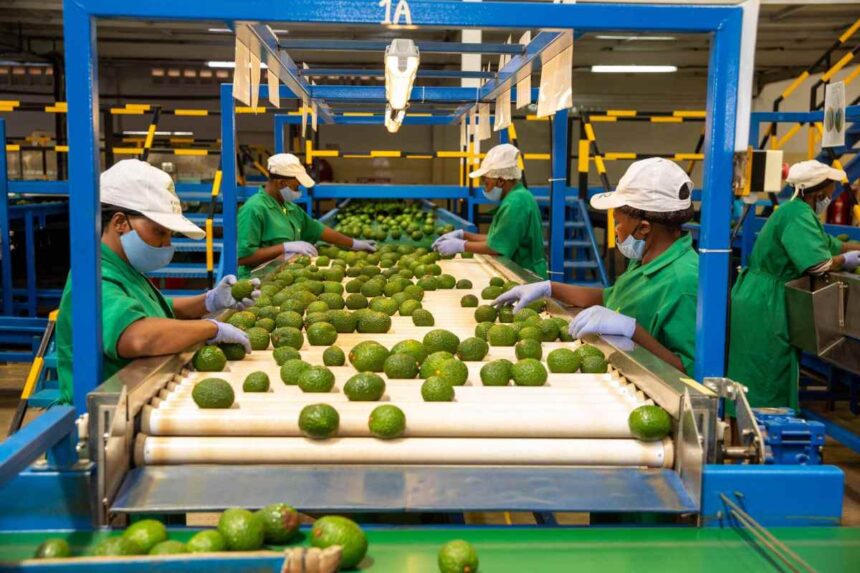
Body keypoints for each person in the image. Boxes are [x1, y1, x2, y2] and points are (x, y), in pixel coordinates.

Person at [57, 160, 256, 405]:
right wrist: (211, 329)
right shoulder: (95, 277)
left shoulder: (125, 268)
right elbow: (138, 336)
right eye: (159, 232)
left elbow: (155, 310)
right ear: (120, 222)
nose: (166, 244)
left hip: (136, 401)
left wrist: (209, 300)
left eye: (169, 235)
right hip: (103, 417)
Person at [493, 158, 699, 374]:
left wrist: (632, 330)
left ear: (644, 228)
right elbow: (611, 297)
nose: (616, 230)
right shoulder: (646, 260)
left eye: (618, 222)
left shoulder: (684, 283)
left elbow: (688, 372)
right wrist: (550, 288)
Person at [728, 160, 860, 409]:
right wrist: (845, 260)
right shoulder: (798, 215)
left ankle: (747, 430)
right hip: (768, 302)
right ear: (819, 192)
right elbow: (817, 265)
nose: (832, 196)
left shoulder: (795, 211)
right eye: (831, 190)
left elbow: (829, 243)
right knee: (768, 372)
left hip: (758, 295)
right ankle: (762, 435)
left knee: (751, 373)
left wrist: (852, 249)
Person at [237, 153, 376, 277]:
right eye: (296, 187)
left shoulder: (290, 208)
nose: (298, 191)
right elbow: (243, 257)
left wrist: (354, 243)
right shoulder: (254, 209)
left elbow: (318, 230)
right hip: (255, 282)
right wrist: (285, 247)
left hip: (281, 277)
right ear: (281, 183)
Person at [432, 143, 548, 278]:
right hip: (521, 269)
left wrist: (462, 246)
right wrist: (465, 235)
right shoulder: (517, 196)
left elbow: (497, 247)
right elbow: (501, 239)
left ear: (500, 181)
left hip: (525, 273)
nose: (485, 188)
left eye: (486, 183)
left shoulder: (516, 203)